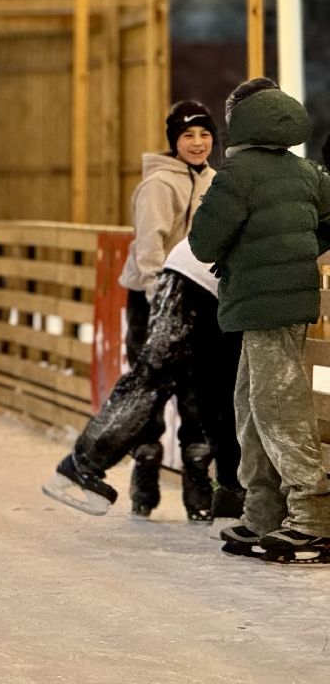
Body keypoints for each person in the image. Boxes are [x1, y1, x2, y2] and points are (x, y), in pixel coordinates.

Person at [190, 78, 330, 564]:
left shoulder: (237, 174)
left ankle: (312, 518)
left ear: (240, 120)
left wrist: (254, 256)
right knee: (252, 406)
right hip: (281, 304)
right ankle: (264, 511)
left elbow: (203, 243)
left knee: (276, 408)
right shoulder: (306, 172)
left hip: (263, 305)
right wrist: (298, 252)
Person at [41, 238, 241, 520]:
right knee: (154, 378)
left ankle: (230, 495)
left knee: (211, 390)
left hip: (213, 282)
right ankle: (82, 464)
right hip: (194, 279)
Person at [116, 102, 218, 517]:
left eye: (204, 134)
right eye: (187, 135)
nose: (197, 143)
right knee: (150, 385)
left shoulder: (215, 182)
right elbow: (149, 245)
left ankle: (198, 481)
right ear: (174, 141)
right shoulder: (159, 184)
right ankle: (145, 471)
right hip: (153, 299)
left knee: (198, 389)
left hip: (199, 298)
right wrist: (158, 295)